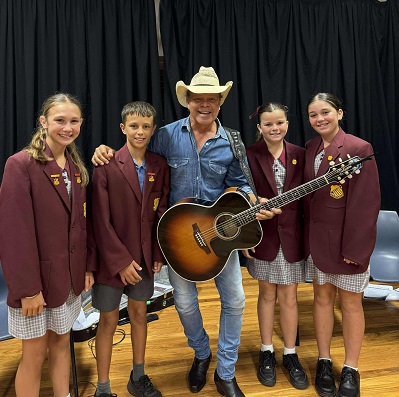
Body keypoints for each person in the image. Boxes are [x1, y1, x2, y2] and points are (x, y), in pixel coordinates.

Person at [91, 66, 279, 397]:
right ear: (187, 100)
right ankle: (202, 353)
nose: (204, 105)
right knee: (185, 303)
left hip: (223, 235)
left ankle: (225, 371)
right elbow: (139, 161)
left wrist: (252, 200)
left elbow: (239, 183)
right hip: (178, 237)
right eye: (198, 99)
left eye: (212, 99)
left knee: (235, 300)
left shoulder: (232, 140)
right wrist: (103, 150)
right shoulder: (164, 135)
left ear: (220, 102)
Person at [0, 93, 94, 397]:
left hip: (68, 280)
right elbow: (15, 235)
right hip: (36, 285)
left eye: (74, 121)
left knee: (61, 345)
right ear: (43, 122)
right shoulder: (21, 164)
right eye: (59, 120)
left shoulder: (75, 167)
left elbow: (80, 226)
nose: (67, 127)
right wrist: (27, 289)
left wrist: (86, 269)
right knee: (34, 354)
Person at [90, 101, 170, 397]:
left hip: (144, 261)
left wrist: (158, 254)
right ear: (123, 128)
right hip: (111, 263)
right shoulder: (105, 164)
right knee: (108, 321)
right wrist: (121, 262)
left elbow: (161, 212)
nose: (140, 132)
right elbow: (100, 220)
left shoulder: (159, 166)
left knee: (139, 315)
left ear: (153, 129)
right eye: (134, 126)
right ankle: (103, 388)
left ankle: (138, 377)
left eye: (146, 126)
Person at [304, 93, 380, 397]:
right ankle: (324, 361)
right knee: (321, 300)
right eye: (312, 115)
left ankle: (351, 368)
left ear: (339, 113)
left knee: (350, 305)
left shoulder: (358, 148)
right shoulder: (309, 148)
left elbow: (366, 205)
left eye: (325, 112)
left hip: (348, 245)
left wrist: (355, 250)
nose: (319, 119)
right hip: (318, 244)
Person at [243, 102, 308, 390]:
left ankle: (290, 353)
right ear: (259, 127)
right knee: (267, 294)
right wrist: (245, 233)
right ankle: (267, 349)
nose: (274, 128)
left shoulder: (301, 155)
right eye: (268, 124)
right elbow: (241, 197)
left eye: (279, 122)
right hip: (262, 236)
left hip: (293, 237)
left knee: (290, 297)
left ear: (287, 124)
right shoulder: (249, 155)